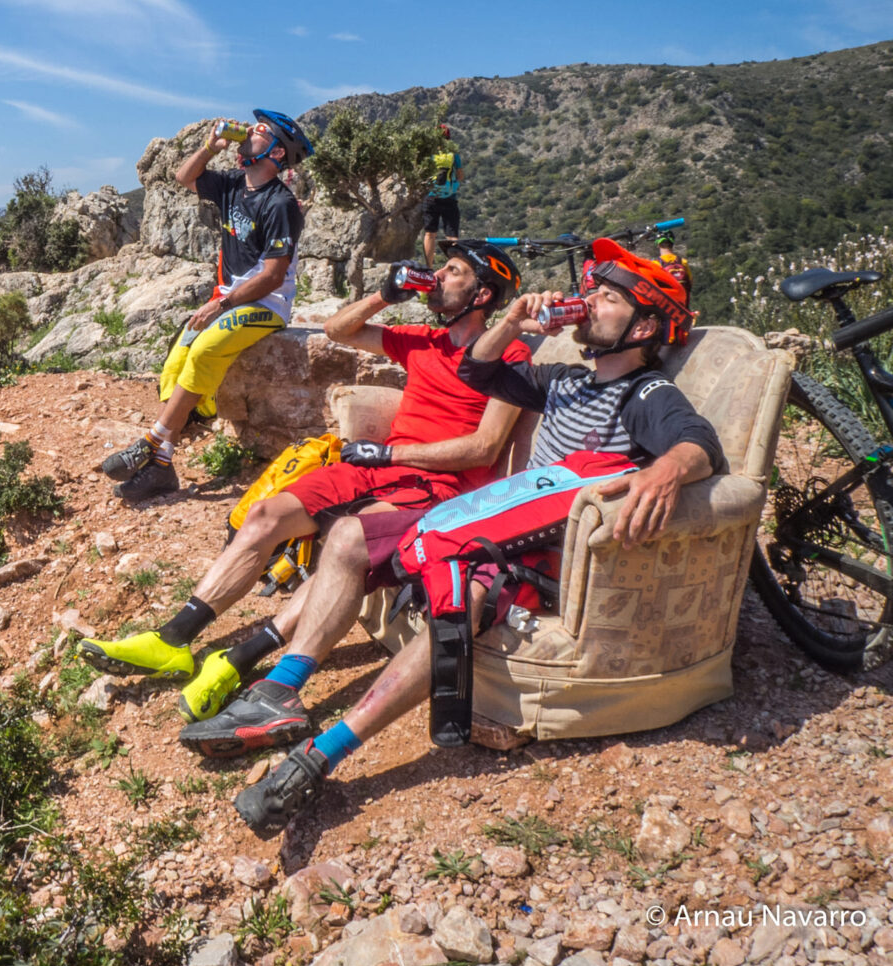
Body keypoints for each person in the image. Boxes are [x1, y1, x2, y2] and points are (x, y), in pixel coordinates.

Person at [235, 240, 719, 835]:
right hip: (495, 517)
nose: (590, 301)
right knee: (348, 537)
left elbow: (697, 442)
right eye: (591, 290)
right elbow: (477, 370)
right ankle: (282, 688)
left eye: (607, 298)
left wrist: (667, 471)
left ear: (643, 327)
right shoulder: (564, 379)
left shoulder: (644, 393)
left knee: (460, 602)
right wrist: (512, 320)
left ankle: (319, 757)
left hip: (534, 548)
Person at [81, 242, 530, 731]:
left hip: (436, 487)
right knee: (265, 514)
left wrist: (389, 454)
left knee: (344, 546)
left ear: (482, 294)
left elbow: (485, 448)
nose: (437, 275)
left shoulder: (509, 355)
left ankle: (243, 659)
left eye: (453, 271)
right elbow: (338, 330)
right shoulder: (424, 339)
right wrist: (384, 295)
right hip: (377, 466)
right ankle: (172, 640)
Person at [99, 110, 310, 503]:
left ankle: (152, 441)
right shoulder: (232, 184)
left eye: (260, 130)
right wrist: (210, 147)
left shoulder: (281, 204)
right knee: (176, 362)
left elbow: (272, 276)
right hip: (228, 299)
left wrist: (221, 305)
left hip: (266, 303)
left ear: (278, 152)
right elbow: (184, 177)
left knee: (205, 350)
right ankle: (162, 466)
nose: (249, 132)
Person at [421, 125, 464, 268]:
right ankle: (453, 268)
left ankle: (429, 268)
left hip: (431, 197)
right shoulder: (453, 153)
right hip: (449, 197)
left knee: (430, 234)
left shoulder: (428, 152)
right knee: (452, 236)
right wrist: (454, 185)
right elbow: (460, 175)